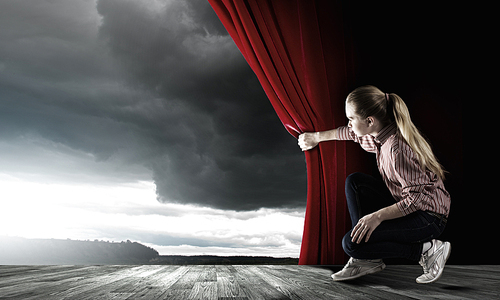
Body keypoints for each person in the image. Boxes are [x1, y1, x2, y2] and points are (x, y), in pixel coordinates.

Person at [298, 85, 451, 284]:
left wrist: (377, 217)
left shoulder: (396, 150)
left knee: (351, 245)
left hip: (429, 216)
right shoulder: (377, 136)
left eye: (351, 119)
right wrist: (316, 137)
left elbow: (417, 199)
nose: (349, 123)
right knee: (355, 182)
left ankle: (427, 250)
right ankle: (366, 257)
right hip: (409, 204)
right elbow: (351, 133)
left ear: (370, 121)